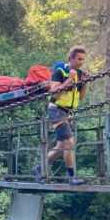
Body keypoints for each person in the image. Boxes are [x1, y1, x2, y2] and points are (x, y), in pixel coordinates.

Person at [34, 46, 89, 185]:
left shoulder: (80, 74)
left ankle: (39, 168)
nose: (81, 62)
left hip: (67, 112)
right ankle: (72, 177)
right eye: (78, 59)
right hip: (56, 109)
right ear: (70, 58)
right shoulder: (60, 71)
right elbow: (54, 93)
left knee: (61, 147)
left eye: (83, 60)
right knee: (69, 143)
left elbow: (81, 97)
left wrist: (85, 83)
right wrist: (69, 80)